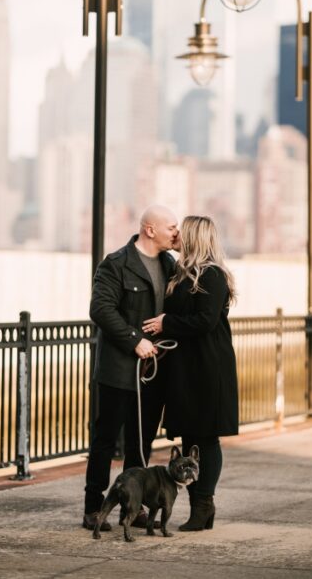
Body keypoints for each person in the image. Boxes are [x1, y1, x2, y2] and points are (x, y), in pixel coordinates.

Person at [81, 205, 180, 531]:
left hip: (153, 372)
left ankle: (133, 509)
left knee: (141, 442)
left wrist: (182, 245)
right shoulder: (116, 264)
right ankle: (93, 509)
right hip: (118, 370)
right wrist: (134, 340)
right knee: (105, 440)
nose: (176, 233)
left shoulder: (169, 263)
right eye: (171, 228)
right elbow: (100, 308)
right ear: (150, 230)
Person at [142, 215, 239, 531]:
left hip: (208, 368)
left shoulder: (211, 275)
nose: (177, 235)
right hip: (186, 369)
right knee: (189, 437)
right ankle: (199, 507)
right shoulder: (182, 273)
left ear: (196, 238)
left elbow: (206, 321)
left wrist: (166, 322)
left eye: (182, 232)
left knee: (207, 439)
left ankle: (203, 505)